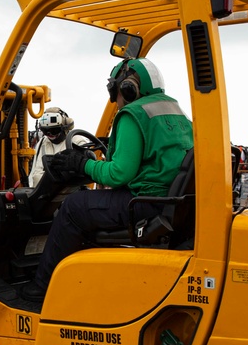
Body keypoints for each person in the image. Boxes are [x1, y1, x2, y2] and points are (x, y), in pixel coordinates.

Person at [19, 58, 193, 305]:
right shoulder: (175, 111)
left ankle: (42, 286)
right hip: (170, 200)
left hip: (144, 202)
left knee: (73, 207)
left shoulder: (132, 114)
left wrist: (82, 165)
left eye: (115, 91)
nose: (115, 99)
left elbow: (119, 174)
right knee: (88, 204)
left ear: (128, 87)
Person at [28, 107, 86, 186]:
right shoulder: (42, 143)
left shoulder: (77, 142)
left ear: (65, 127)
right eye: (45, 131)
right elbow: (35, 173)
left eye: (54, 131)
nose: (50, 135)